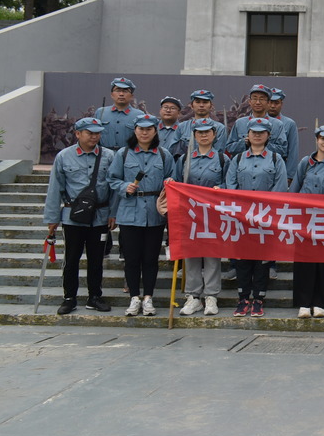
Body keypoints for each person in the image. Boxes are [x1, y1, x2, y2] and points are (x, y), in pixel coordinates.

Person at [43, 117, 113, 315]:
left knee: (96, 259)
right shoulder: (64, 156)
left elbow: (114, 188)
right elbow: (55, 188)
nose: (94, 136)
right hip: (72, 216)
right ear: (77, 134)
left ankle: (94, 296)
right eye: (90, 132)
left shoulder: (109, 156)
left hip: (99, 216)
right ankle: (69, 297)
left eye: (97, 133)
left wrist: (113, 213)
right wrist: (52, 218)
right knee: (72, 258)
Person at [108, 114, 175, 317]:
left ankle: (148, 298)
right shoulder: (123, 154)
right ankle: (134, 297)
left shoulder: (164, 155)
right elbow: (112, 179)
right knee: (131, 258)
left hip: (154, 213)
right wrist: (123, 186)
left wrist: (170, 182)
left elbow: (172, 177)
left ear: (155, 131)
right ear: (135, 131)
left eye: (149, 129)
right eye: (140, 129)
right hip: (129, 211)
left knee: (150, 258)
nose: (144, 132)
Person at [224, 117, 288, 317]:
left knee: (263, 260)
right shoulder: (237, 159)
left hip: (265, 217)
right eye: (254, 132)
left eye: (262, 132)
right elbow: (231, 185)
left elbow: (279, 189)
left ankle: (259, 299)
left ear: (268, 135)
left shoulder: (276, 159)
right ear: (247, 135)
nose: (258, 135)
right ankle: (243, 298)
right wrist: (240, 211)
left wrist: (267, 213)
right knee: (242, 259)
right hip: (242, 217)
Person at [290, 125, 324, 319]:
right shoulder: (305, 163)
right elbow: (294, 191)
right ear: (316, 140)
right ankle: (303, 303)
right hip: (304, 219)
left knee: (322, 262)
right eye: (323, 138)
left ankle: (319, 303)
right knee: (303, 262)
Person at [174, 118, 227, 316]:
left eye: (207, 132)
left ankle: (211, 296)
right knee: (191, 254)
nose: (203, 136)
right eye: (199, 133)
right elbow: (177, 183)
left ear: (214, 135)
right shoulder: (184, 159)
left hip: (213, 214)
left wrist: (219, 189)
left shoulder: (222, 159)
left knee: (212, 254)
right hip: (190, 213)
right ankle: (193, 296)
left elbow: (229, 185)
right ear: (194, 136)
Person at [226, 84, 288, 161]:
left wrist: (263, 143)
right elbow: (229, 148)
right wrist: (244, 143)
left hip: (268, 169)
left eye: (262, 99)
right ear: (249, 101)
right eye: (254, 98)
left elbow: (282, 150)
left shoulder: (277, 124)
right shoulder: (240, 123)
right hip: (243, 169)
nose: (258, 102)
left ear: (268, 102)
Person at [94, 77, 143, 151]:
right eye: (118, 90)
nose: (121, 94)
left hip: (129, 156)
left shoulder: (139, 115)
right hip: (104, 156)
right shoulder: (101, 112)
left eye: (125, 91)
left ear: (132, 96)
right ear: (111, 94)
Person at [175, 89, 227, 155]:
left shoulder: (220, 128)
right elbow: (176, 153)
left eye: (205, 102)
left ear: (211, 106)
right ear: (191, 106)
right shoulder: (182, 127)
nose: (201, 105)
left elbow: (219, 154)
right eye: (197, 102)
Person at [268, 87, 299, 178]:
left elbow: (293, 151)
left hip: (280, 169)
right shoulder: (256, 121)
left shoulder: (289, 124)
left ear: (281, 104)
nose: (273, 106)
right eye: (270, 102)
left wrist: (289, 176)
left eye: (276, 102)